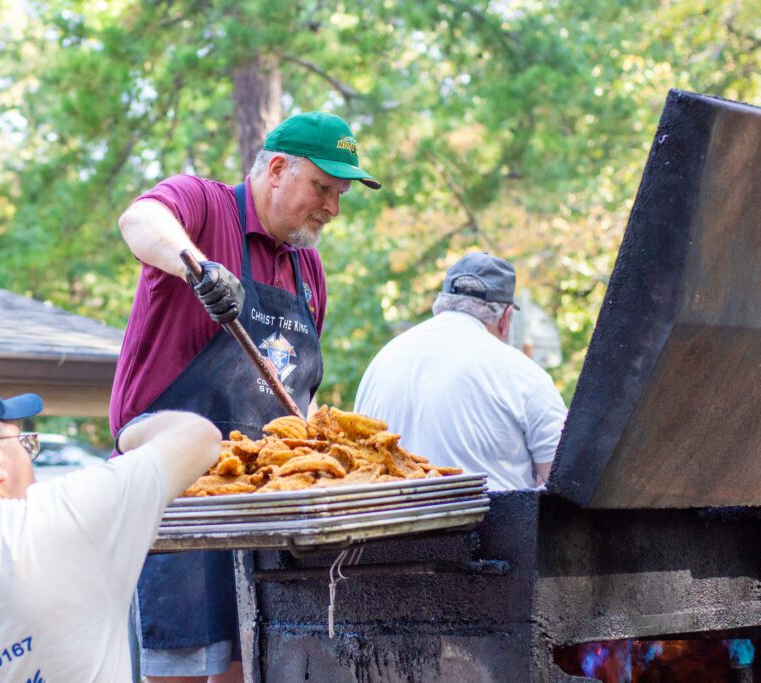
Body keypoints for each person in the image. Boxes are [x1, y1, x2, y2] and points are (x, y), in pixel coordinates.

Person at [111, 111, 380, 682]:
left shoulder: (307, 268)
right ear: (277, 168)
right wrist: (197, 267)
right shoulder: (203, 207)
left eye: (341, 194)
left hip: (265, 503)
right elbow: (140, 218)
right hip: (180, 501)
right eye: (324, 188)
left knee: (252, 665)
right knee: (180, 668)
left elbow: (296, 397)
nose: (333, 207)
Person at [0, 373, 220, 683]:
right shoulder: (55, 522)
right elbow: (199, 437)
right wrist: (127, 433)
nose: (30, 456)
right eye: (24, 443)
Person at [354, 252, 567, 491]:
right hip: (489, 525)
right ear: (506, 318)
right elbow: (565, 482)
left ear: (442, 304)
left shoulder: (383, 360)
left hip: (389, 523)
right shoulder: (523, 374)